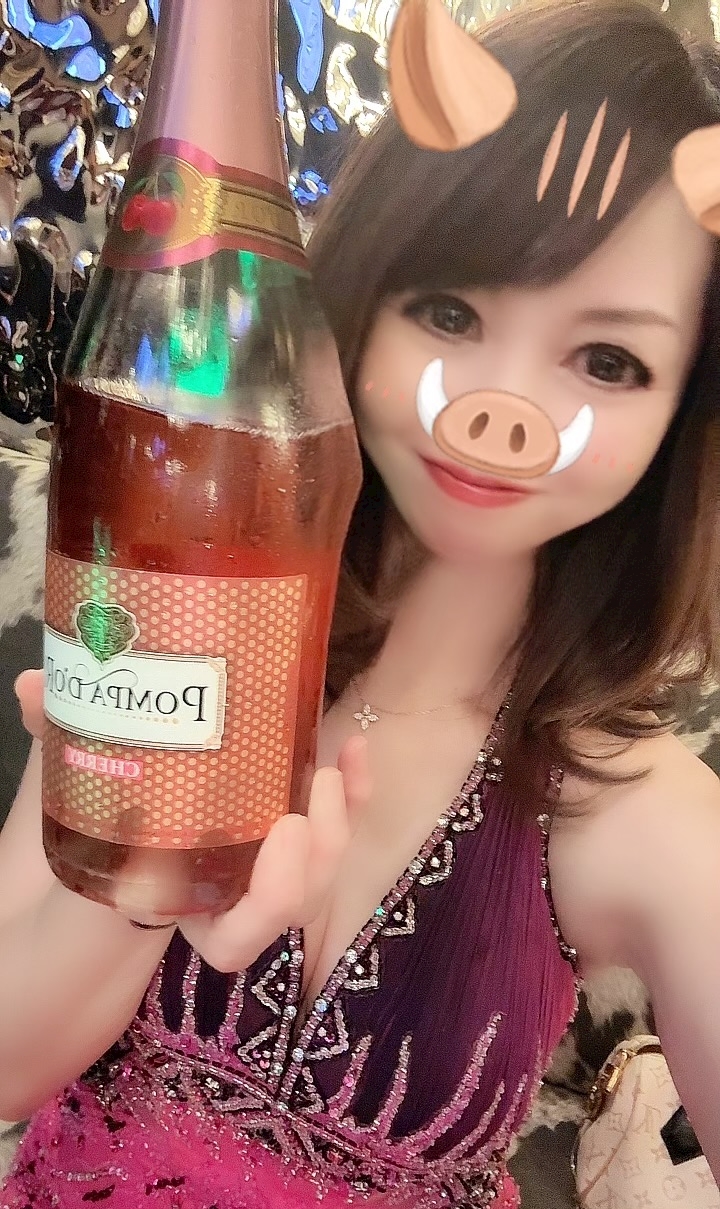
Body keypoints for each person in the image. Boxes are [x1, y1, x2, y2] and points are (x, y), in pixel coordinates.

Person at [1, 1, 720, 1205]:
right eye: (452, 312)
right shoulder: (167, 613)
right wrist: (141, 887)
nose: (502, 408)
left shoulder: (647, 820)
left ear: (681, 410)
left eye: (608, 361)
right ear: (368, 292)